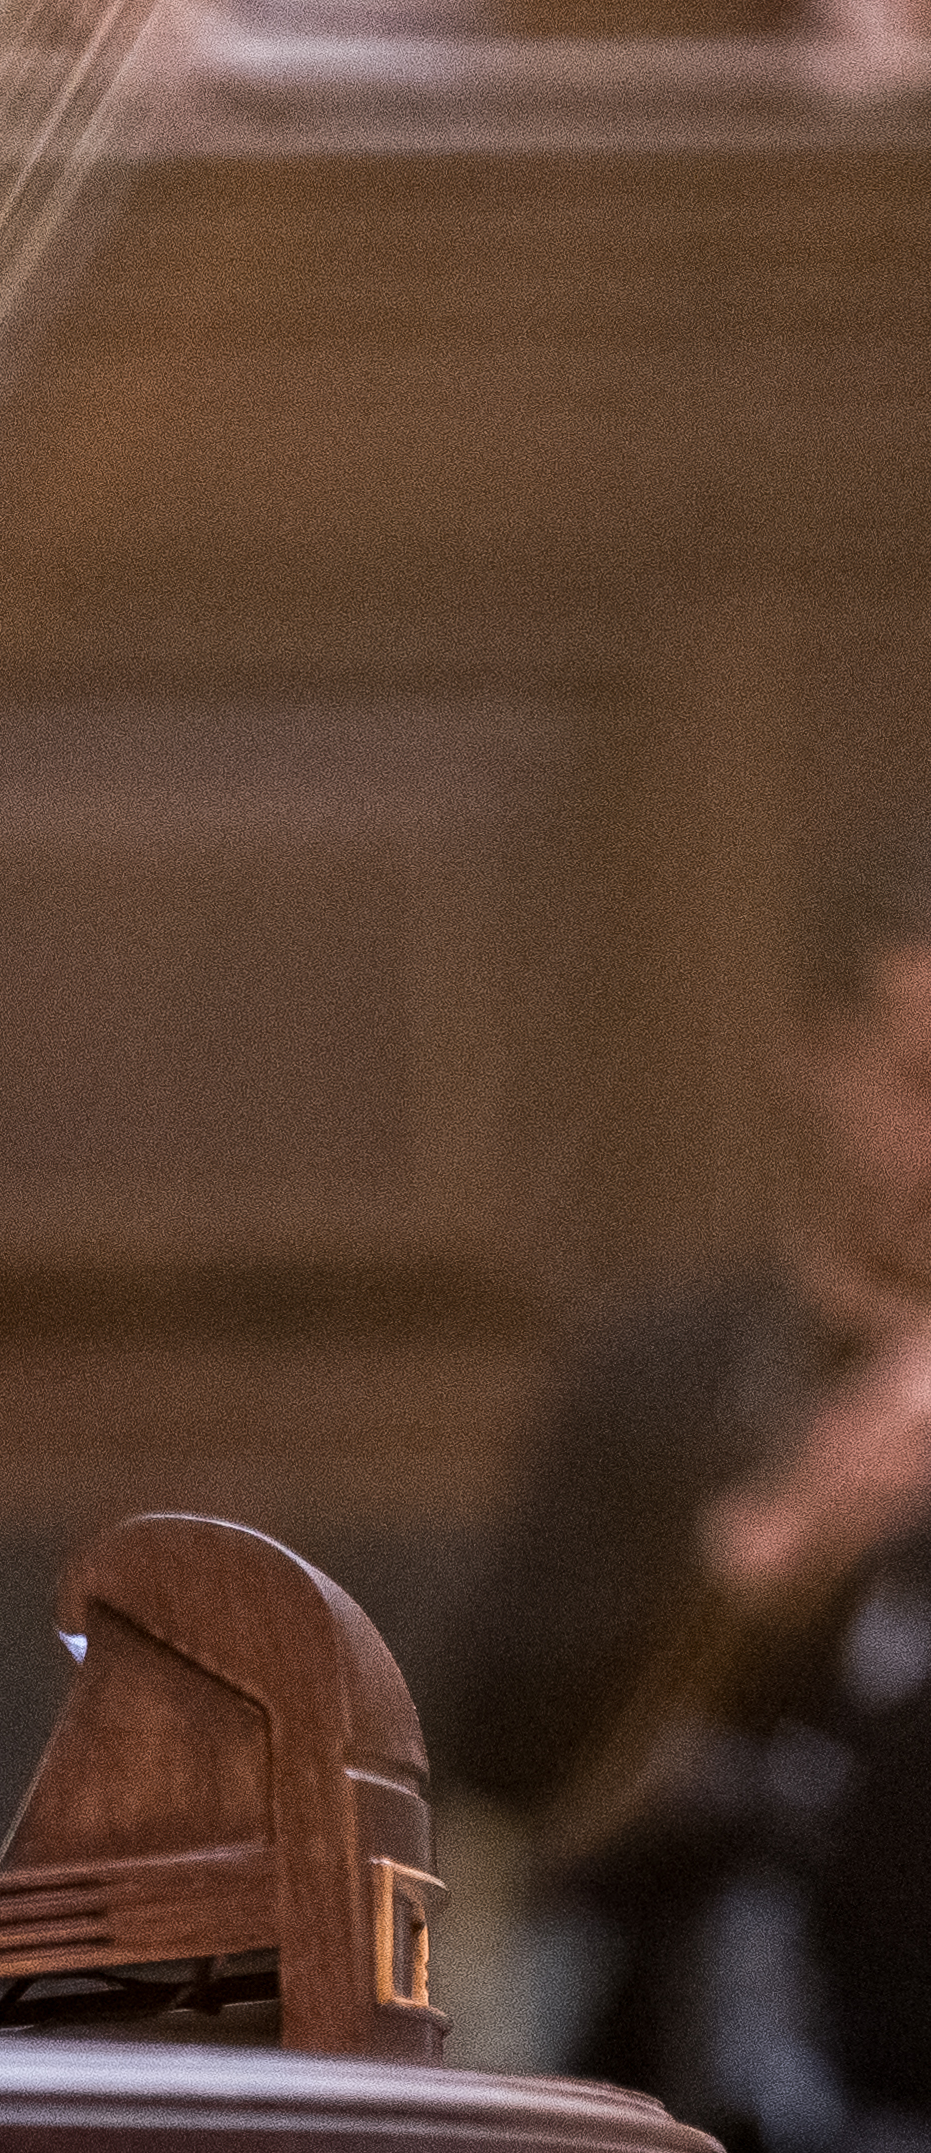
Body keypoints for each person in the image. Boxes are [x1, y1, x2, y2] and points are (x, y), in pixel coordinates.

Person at [450, 818, 931, 2146]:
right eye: (924, 1084)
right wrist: (772, 1558)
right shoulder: (661, 1378)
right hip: (671, 2090)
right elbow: (499, 1761)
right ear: (820, 1059)